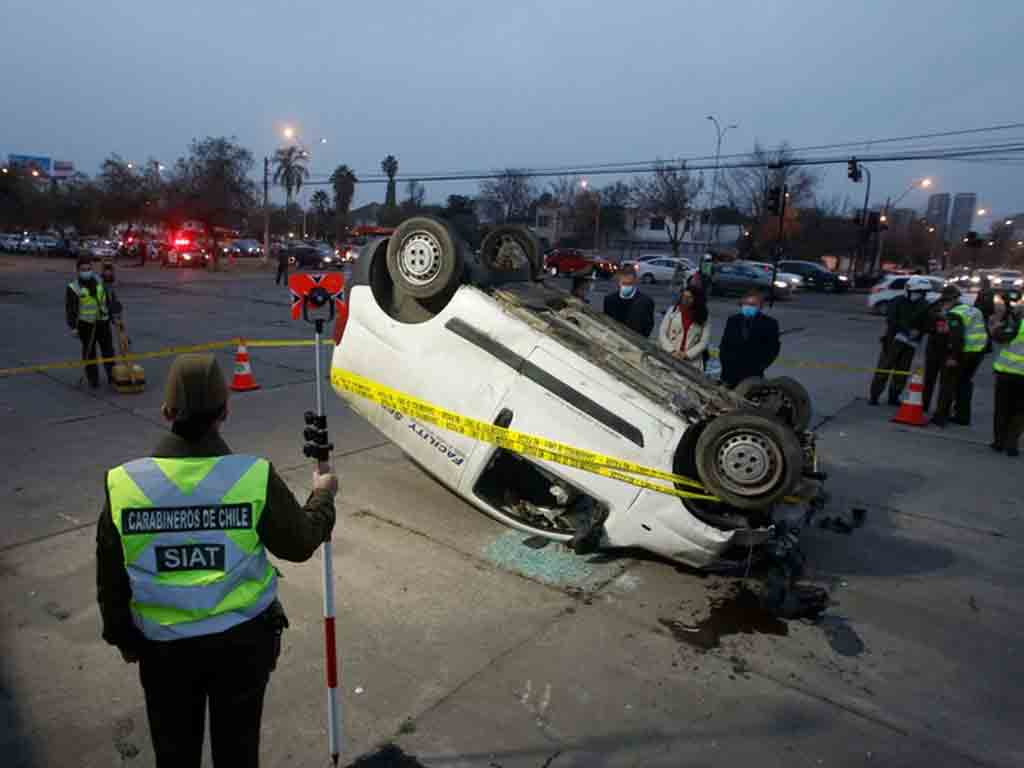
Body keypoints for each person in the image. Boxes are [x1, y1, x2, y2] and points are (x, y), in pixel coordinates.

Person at [96, 354, 339, 767]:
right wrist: (323, 495)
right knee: (238, 752)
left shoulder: (125, 484)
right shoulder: (252, 477)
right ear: (225, 411)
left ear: (166, 411)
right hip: (242, 648)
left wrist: (124, 639)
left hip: (164, 653)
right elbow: (299, 543)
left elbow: (111, 579)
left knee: (174, 755)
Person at [869, 276, 932, 406]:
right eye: (919, 292)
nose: (921, 295)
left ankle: (894, 397)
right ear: (910, 290)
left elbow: (927, 322)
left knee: (902, 372)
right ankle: (874, 396)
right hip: (893, 341)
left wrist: (920, 331)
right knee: (884, 369)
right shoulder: (897, 301)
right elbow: (891, 320)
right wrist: (908, 330)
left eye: (923, 292)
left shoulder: (924, 304)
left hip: (911, 344)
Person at [931, 287, 988, 427]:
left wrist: (953, 357)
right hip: (977, 352)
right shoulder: (972, 309)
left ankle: (940, 416)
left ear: (951, 300)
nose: (943, 305)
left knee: (948, 384)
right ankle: (962, 416)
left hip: (963, 353)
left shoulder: (955, 315)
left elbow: (957, 338)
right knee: (964, 384)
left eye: (944, 302)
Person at [66, 255, 116, 388]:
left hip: (102, 322)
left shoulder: (100, 281)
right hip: (86, 325)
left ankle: (112, 376)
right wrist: (73, 327)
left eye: (89, 269)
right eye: (83, 269)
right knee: (89, 352)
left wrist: (113, 315)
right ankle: (93, 378)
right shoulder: (73, 287)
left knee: (108, 351)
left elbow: (109, 298)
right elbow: (71, 308)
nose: (87, 271)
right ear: (78, 271)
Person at [718, 289, 780, 388]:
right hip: (730, 373)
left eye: (752, 305)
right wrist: (726, 365)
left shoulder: (770, 324)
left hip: (754, 374)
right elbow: (724, 345)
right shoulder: (733, 320)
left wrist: (760, 367)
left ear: (760, 306)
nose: (748, 307)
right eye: (746, 304)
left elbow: (773, 349)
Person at [990, 298, 1023, 456]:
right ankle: (1012, 444)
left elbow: (998, 337)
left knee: (1002, 409)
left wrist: (996, 325)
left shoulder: (1017, 325)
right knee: (1020, 412)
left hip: (1007, 373)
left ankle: (999, 442)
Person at [657, 286, 711, 371]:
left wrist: (687, 354)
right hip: (670, 355)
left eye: (689, 297)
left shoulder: (704, 316)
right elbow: (662, 332)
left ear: (697, 299)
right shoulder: (673, 310)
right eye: (684, 296)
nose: (685, 300)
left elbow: (704, 342)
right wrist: (671, 351)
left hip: (691, 362)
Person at [922, 286, 955, 412]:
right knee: (932, 380)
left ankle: (941, 411)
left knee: (945, 383)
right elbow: (925, 324)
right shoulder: (934, 307)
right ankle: (929, 407)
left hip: (947, 348)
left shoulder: (958, 308)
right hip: (937, 347)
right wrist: (938, 319)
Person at [603, 265, 655, 337]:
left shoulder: (646, 302)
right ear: (619, 282)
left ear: (635, 281)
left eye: (629, 284)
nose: (626, 286)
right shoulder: (609, 300)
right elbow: (606, 322)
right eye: (624, 283)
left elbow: (648, 326)